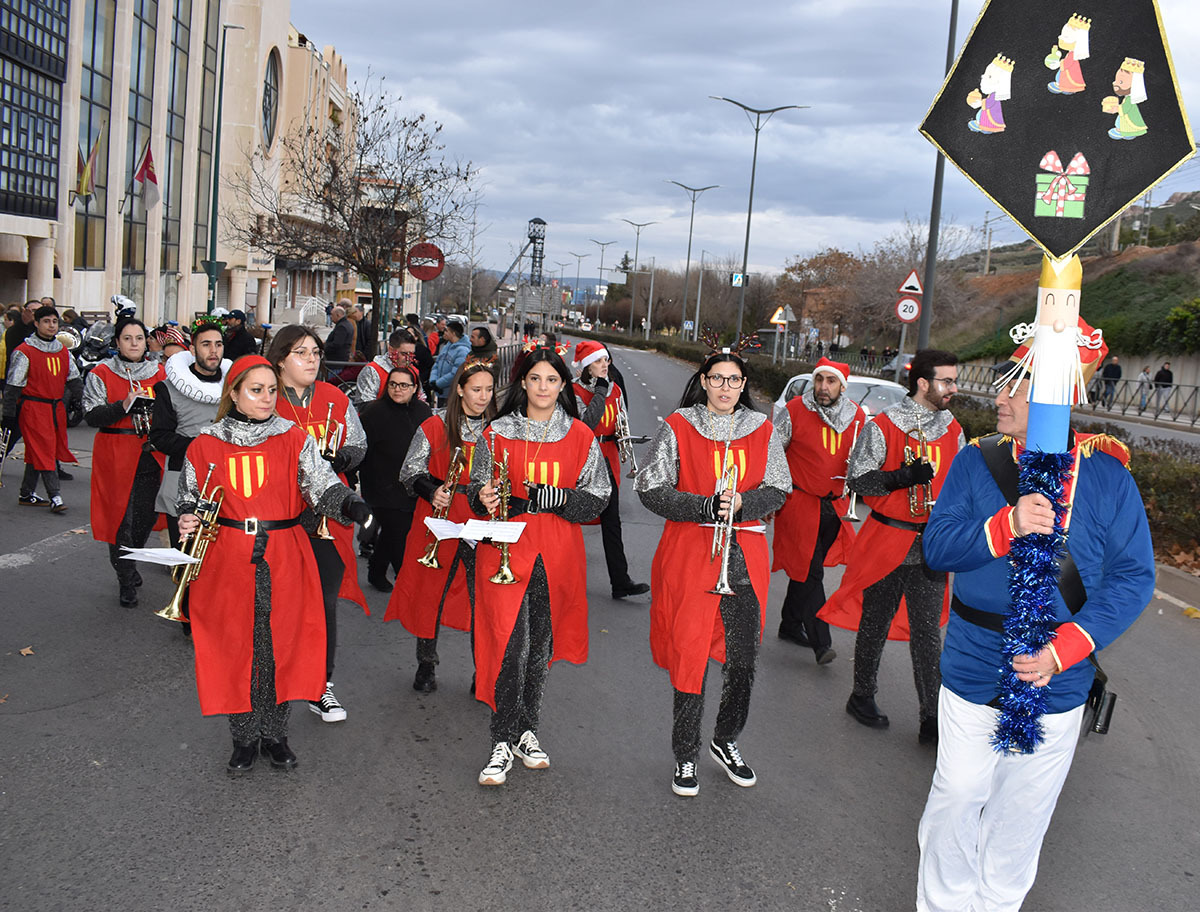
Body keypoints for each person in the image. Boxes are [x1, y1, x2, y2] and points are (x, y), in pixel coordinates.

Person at [915, 369, 1154, 912]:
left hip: (1059, 675)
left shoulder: (1108, 475)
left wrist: (1064, 650)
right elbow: (938, 548)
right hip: (974, 658)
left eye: (1018, 391)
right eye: (1003, 387)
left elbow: (1134, 577)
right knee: (957, 795)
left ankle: (996, 905)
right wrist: (1006, 525)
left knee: (1021, 813)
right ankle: (941, 904)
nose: (1000, 399)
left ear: (1059, 400)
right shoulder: (978, 459)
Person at [176, 355, 375, 775]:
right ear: (233, 394)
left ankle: (276, 734)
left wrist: (354, 506)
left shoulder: (294, 438)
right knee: (237, 645)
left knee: (279, 644)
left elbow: (321, 486)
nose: (267, 398)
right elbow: (191, 496)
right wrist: (188, 516)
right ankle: (244, 737)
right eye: (256, 390)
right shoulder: (204, 443)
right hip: (227, 555)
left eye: (271, 389)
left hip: (285, 551)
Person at [636, 345, 790, 797]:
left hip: (746, 557)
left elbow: (780, 487)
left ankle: (725, 740)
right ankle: (686, 754)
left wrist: (745, 503)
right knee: (690, 657)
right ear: (704, 381)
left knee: (743, 659)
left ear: (744, 386)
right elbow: (650, 488)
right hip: (691, 552)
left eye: (735, 380)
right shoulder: (679, 426)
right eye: (718, 379)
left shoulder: (762, 428)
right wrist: (703, 504)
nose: (726, 387)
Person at [467, 348, 610, 786]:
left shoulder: (582, 436)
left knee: (541, 646)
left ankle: (527, 729)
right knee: (507, 642)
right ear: (522, 384)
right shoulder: (495, 433)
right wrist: (484, 497)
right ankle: (501, 738)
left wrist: (558, 498)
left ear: (563, 386)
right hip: (506, 550)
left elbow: (599, 496)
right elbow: (476, 488)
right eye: (535, 379)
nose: (544, 387)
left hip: (558, 552)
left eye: (552, 380)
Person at [820, 349, 964, 744]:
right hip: (887, 538)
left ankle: (931, 717)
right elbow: (859, 481)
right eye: (946, 381)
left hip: (932, 545)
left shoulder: (954, 429)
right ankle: (861, 695)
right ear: (923, 383)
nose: (954, 387)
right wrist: (902, 477)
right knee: (875, 623)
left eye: (954, 380)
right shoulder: (883, 425)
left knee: (928, 633)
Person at [267, 325, 369, 723]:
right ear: (279, 359)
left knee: (324, 602)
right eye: (300, 352)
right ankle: (270, 681)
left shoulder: (333, 396)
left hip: (330, 514)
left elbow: (358, 444)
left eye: (315, 352)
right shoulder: (265, 398)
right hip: (280, 517)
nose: (311, 359)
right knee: (277, 603)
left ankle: (320, 685)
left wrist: (336, 461)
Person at [388, 357, 496, 692]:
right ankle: (426, 664)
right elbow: (410, 471)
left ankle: (484, 672)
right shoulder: (434, 426)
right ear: (460, 390)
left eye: (489, 389)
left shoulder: (499, 432)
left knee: (485, 600)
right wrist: (432, 491)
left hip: (481, 519)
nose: (483, 396)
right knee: (429, 593)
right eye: (476, 389)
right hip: (440, 517)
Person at [771, 357, 866, 664]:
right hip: (798, 503)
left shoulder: (857, 417)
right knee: (811, 571)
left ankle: (789, 624)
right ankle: (821, 642)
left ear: (842, 385)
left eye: (831, 381)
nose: (823, 387)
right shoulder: (795, 410)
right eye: (820, 379)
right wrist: (770, 496)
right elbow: (773, 453)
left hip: (835, 507)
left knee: (806, 569)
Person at [149, 318, 231, 630]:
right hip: (183, 480)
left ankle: (214, 612)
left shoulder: (235, 385)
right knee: (187, 551)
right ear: (193, 348)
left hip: (225, 482)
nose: (213, 351)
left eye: (219, 344)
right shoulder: (168, 389)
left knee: (220, 552)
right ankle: (186, 613)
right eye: (207, 344)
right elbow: (160, 436)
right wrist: (201, 446)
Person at [82, 316, 166, 606]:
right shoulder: (101, 372)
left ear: (146, 342)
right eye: (127, 338)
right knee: (120, 519)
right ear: (117, 342)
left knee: (147, 518)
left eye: (139, 338)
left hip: (151, 452)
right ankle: (126, 577)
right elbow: (91, 415)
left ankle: (129, 561)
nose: (134, 344)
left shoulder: (161, 373)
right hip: (115, 450)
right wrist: (123, 406)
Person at [572, 340, 649, 599]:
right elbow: (586, 424)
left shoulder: (615, 389)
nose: (605, 365)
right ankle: (561, 573)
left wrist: (621, 436)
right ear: (586, 366)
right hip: (583, 457)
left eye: (606, 360)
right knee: (568, 517)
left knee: (612, 521)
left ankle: (620, 580)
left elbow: (620, 418)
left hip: (608, 457)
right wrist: (601, 390)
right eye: (598, 361)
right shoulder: (572, 391)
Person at [358, 364, 433, 591]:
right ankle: (408, 585)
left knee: (393, 532)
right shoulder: (373, 412)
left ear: (414, 388)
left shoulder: (422, 411)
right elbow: (362, 449)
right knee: (400, 534)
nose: (397, 389)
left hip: (413, 483)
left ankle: (376, 571)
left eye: (403, 385)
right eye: (392, 384)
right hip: (382, 485)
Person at [2, 304, 81, 511]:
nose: (51, 325)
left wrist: (85, 403)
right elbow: (13, 387)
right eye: (46, 321)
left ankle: (26, 493)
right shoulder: (25, 351)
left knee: (41, 451)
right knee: (44, 451)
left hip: (56, 409)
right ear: (36, 323)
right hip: (34, 409)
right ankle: (55, 496)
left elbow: (74, 380)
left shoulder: (63, 350)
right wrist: (8, 415)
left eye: (55, 321)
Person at [356, 330, 426, 404]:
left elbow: (421, 399)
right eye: (404, 354)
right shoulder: (372, 370)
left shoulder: (413, 371)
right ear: (391, 350)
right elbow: (365, 404)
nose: (408, 359)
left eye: (412, 355)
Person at [430, 320, 470, 404]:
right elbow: (437, 364)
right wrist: (433, 381)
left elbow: (456, 373)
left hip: (451, 394)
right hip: (440, 392)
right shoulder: (446, 346)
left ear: (454, 333)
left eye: (447, 331)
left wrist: (438, 384)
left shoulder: (462, 351)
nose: (444, 333)